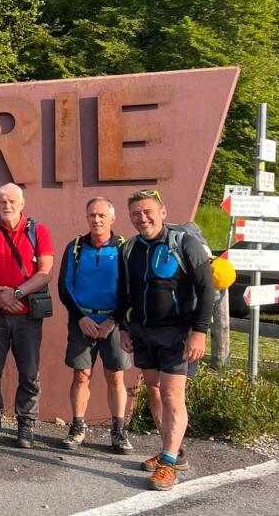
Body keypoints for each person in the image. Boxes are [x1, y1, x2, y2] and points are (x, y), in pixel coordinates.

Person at [116, 190, 213, 491]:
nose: (142, 217)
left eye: (147, 211)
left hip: (178, 333)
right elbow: (123, 290)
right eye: (136, 213)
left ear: (162, 212)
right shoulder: (129, 248)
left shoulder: (185, 244)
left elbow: (207, 288)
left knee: (172, 395)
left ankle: (168, 463)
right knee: (155, 391)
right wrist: (123, 327)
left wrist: (199, 331)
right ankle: (175, 451)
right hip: (143, 332)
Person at [0, 183, 55, 448]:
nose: (7, 206)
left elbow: (45, 272)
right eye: (3, 201)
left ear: (22, 203)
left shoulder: (38, 230)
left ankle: (25, 425)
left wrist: (16, 294)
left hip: (27, 316)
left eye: (12, 201)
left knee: (29, 373)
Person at [56, 198, 133, 453]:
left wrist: (114, 320)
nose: (96, 220)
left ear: (112, 218)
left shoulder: (124, 248)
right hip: (83, 321)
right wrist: (81, 318)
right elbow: (64, 287)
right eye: (92, 215)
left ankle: (119, 431)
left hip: (113, 323)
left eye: (101, 215)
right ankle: (77, 427)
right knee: (81, 375)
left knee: (115, 376)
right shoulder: (76, 247)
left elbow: (130, 290)